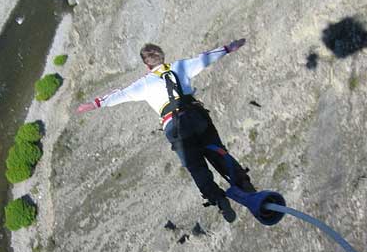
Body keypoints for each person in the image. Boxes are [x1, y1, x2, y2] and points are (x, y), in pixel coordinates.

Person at [76, 40, 256, 223]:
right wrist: (227, 49)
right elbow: (205, 58)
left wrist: (95, 104)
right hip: (197, 116)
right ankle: (243, 183)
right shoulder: (180, 66)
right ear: (163, 57)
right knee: (218, 150)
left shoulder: (145, 83)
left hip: (175, 127)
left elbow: (120, 94)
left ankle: (219, 199)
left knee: (196, 167)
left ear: (147, 65)